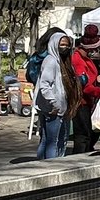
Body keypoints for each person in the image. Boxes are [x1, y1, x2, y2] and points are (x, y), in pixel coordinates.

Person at [35, 31, 80, 159]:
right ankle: (52, 168)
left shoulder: (62, 61)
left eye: (67, 45)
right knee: (53, 142)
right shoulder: (51, 61)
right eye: (62, 45)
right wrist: (54, 103)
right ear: (54, 44)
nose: (64, 48)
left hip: (59, 107)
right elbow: (45, 85)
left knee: (47, 140)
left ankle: (40, 165)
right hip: (53, 109)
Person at [71, 25, 100, 154]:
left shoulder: (85, 58)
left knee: (88, 133)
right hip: (80, 101)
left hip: (88, 101)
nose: (96, 52)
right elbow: (85, 87)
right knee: (83, 135)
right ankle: (79, 161)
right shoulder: (78, 60)